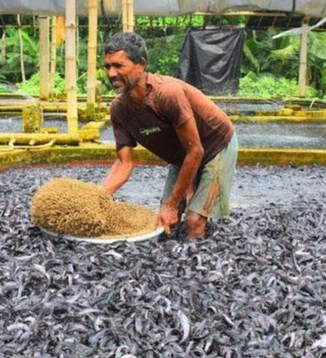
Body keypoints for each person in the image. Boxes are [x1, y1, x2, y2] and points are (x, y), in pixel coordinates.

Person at [101, 32, 238, 239]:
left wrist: (173, 204)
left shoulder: (167, 94)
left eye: (119, 66)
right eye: (108, 66)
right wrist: (97, 198)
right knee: (163, 222)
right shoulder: (119, 109)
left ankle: (197, 261)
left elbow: (196, 150)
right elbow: (123, 163)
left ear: (141, 64)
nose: (111, 74)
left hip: (216, 147)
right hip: (183, 155)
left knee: (193, 220)